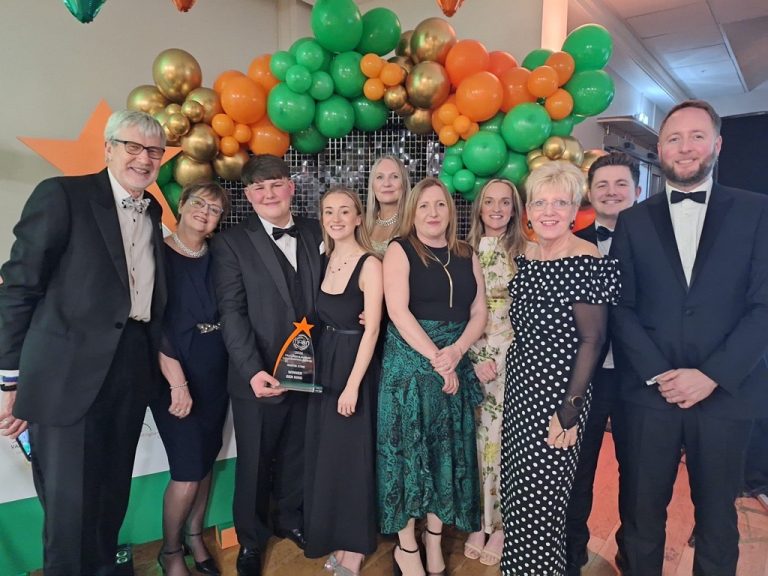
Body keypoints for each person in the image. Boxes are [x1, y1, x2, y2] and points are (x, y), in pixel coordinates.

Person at [0, 110, 167, 575]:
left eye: (154, 151)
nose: (143, 158)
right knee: (69, 505)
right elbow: (19, 286)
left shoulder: (152, 210)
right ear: (109, 147)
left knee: (110, 494)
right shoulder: (62, 195)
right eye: (132, 146)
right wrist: (10, 379)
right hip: (65, 375)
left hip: (131, 368)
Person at [610, 99, 768, 575]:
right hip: (648, 394)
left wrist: (712, 376)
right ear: (659, 149)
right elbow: (621, 306)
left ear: (717, 144)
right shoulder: (633, 220)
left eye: (696, 136)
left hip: (725, 396)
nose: (684, 147)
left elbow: (764, 307)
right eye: (674, 138)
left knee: (718, 519)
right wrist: (661, 373)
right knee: (640, 515)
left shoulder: (758, 211)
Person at [500, 161, 620, 576]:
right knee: (516, 494)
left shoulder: (587, 258)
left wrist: (568, 411)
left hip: (559, 397)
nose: (549, 211)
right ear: (528, 210)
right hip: (520, 391)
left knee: (544, 500)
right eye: (540, 202)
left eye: (560, 202)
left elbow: (592, 340)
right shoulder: (527, 256)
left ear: (574, 211)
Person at [211, 154, 324, 576]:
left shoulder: (316, 230)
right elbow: (232, 312)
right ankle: (251, 540)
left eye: (275, 184)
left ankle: (290, 519)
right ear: (248, 195)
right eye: (258, 188)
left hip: (311, 372)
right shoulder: (231, 242)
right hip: (258, 376)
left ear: (290, 186)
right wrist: (251, 370)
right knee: (255, 461)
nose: (268, 193)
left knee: (298, 452)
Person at [377, 177, 487, 576]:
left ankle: (434, 542)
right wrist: (438, 359)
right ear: (412, 211)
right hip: (409, 364)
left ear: (450, 210)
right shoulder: (400, 250)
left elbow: (479, 312)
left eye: (439, 205)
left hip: (451, 359)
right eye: (424, 206)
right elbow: (398, 312)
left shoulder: (465, 252)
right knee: (408, 454)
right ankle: (407, 547)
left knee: (446, 454)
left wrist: (456, 353)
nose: (432, 213)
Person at [565, 151, 640, 575]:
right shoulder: (575, 244)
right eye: (603, 185)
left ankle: (632, 556)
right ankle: (572, 555)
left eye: (620, 185)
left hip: (637, 378)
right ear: (591, 194)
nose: (612, 192)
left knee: (640, 471)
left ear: (636, 190)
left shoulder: (654, 243)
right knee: (580, 470)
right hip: (587, 377)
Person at [152, 182, 230, 576]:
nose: (204, 211)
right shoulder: (156, 254)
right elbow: (153, 324)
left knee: (204, 463)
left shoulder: (219, 255)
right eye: (198, 203)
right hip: (173, 374)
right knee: (185, 471)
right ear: (181, 206)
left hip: (215, 372)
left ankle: (196, 535)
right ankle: (169, 551)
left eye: (214, 209)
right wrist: (177, 382)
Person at [304, 187, 383, 576]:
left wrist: (353, 385)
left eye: (344, 211)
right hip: (327, 363)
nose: (336, 218)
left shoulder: (370, 264)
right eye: (329, 211)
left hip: (355, 366)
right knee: (330, 454)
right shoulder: (325, 258)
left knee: (353, 456)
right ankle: (334, 532)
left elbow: (372, 331)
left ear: (357, 218)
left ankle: (355, 547)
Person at [463, 179, 527, 566]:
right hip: (473, 356)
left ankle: (501, 525)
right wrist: (472, 355)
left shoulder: (528, 251)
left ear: (515, 208)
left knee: (504, 443)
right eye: (490, 201)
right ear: (479, 206)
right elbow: (455, 308)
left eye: (506, 202)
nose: (497, 208)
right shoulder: (462, 250)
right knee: (473, 441)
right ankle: (477, 520)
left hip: (515, 358)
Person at [364, 155, 411, 255]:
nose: (386, 184)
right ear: (372, 185)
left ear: (404, 184)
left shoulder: (413, 224)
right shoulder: (362, 224)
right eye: (380, 177)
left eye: (394, 176)